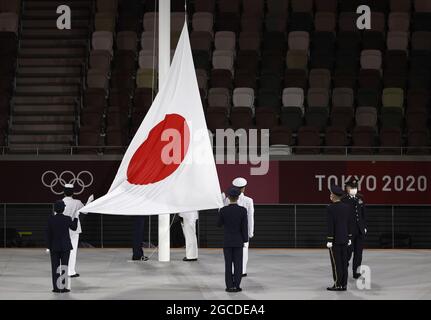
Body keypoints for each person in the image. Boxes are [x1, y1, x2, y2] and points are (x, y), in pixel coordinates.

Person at [218, 187, 249, 293]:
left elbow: (218, 224)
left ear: (229, 197)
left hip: (227, 241)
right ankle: (237, 286)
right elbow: (244, 227)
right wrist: (245, 240)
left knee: (228, 265)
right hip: (238, 241)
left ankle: (229, 286)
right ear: (238, 197)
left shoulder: (223, 210)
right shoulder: (242, 210)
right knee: (238, 264)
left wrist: (220, 210)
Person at [223, 177, 254, 277]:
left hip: (231, 231)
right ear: (244, 188)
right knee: (244, 251)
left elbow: (223, 214)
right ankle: (242, 271)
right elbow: (250, 217)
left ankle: (234, 271)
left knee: (231, 253)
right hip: (243, 230)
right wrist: (250, 231)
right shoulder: (249, 200)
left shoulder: (227, 199)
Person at [46, 200, 78, 293]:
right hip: (65, 247)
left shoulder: (50, 219)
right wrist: (76, 218)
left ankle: (56, 288)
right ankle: (63, 288)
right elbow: (74, 227)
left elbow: (47, 234)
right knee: (64, 267)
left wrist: (48, 246)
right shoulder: (67, 219)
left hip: (54, 247)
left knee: (55, 267)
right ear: (63, 209)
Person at [326, 185, 353, 291]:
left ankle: (337, 284)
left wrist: (329, 240)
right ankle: (344, 284)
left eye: (331, 193)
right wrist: (350, 237)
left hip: (335, 240)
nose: (330, 195)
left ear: (333, 195)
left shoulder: (330, 208)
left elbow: (330, 225)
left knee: (336, 264)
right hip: (345, 239)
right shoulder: (347, 207)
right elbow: (349, 223)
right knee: (343, 263)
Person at [342, 178, 367, 279]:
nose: (354, 189)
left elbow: (363, 214)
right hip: (349, 230)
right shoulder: (343, 199)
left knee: (358, 253)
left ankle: (356, 272)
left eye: (355, 187)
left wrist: (364, 226)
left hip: (359, 230)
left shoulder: (360, 198)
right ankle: (344, 268)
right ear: (347, 188)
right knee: (348, 251)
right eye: (351, 187)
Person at [62, 184, 84, 278]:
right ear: (73, 192)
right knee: (73, 251)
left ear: (64, 192)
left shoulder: (60, 202)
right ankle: (71, 271)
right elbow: (85, 211)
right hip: (74, 230)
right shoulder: (77, 202)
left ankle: (63, 270)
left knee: (63, 250)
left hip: (63, 229)